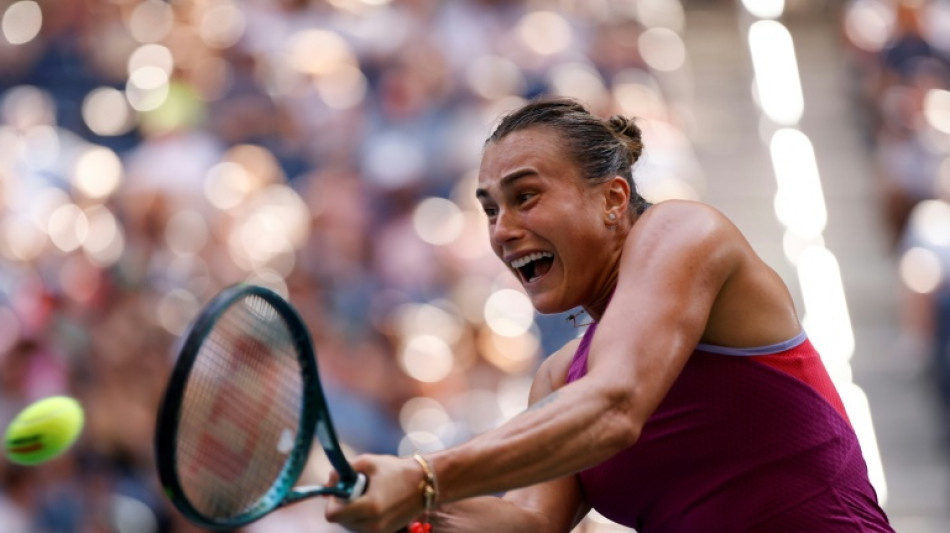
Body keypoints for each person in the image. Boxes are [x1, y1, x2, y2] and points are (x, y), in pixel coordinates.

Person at [324, 98, 895, 532]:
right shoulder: (558, 377)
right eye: (491, 209)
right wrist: (411, 513)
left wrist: (425, 478)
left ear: (613, 200)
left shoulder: (685, 230)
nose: (502, 230)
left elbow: (614, 410)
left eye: (526, 197)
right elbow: (530, 524)